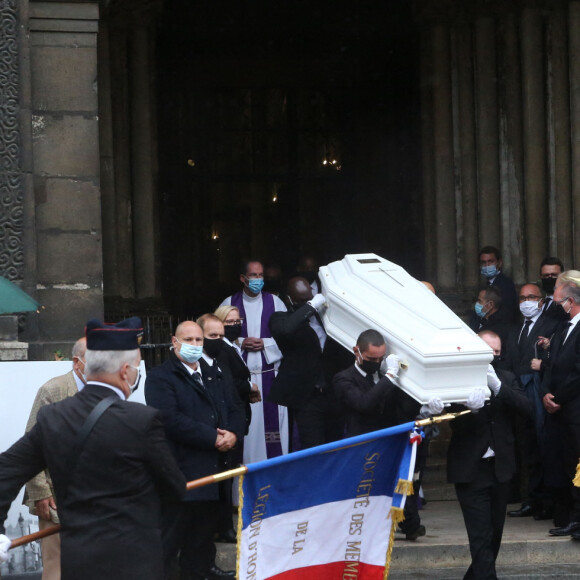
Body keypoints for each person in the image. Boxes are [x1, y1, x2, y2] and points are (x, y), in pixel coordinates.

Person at [0, 317, 186, 580]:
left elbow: (6, 470)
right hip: (133, 563)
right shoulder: (142, 421)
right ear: (125, 372)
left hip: (79, 563)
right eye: (136, 369)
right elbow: (175, 487)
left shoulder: (54, 418)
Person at [145, 320, 244, 580]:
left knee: (203, 531)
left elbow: (235, 406)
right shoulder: (160, 377)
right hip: (183, 469)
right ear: (174, 342)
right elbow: (169, 418)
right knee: (173, 534)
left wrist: (233, 434)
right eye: (188, 340)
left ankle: (202, 570)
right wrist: (212, 437)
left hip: (216, 468)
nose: (195, 345)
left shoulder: (216, 372)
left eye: (199, 340)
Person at [333, 329, 443, 541]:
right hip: (364, 445)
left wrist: (427, 410)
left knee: (403, 485)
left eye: (380, 358)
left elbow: (403, 406)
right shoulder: (344, 378)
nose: (376, 362)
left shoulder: (387, 377)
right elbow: (364, 404)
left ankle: (410, 525)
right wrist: (390, 376)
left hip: (393, 444)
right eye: (371, 358)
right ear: (357, 352)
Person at [447, 330, 531, 580]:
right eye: (487, 352)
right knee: (480, 535)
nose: (492, 358)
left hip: (500, 467)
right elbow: (451, 422)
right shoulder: (458, 380)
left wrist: (499, 388)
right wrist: (468, 410)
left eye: (496, 353)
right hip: (471, 469)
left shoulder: (505, 377)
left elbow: (527, 408)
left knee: (494, 535)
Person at [23, 337, 87, 580]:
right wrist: (40, 492)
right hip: (55, 497)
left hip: (94, 494)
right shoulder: (54, 390)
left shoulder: (106, 390)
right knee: (56, 565)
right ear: (77, 362)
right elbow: (31, 445)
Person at [268, 277, 352, 450]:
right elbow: (286, 330)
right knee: (312, 447)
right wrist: (310, 307)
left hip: (333, 394)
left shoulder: (327, 319)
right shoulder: (280, 318)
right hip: (307, 397)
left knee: (335, 445)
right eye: (302, 301)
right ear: (289, 299)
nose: (308, 303)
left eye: (310, 298)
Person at [219, 260, 288, 463]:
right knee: (246, 442)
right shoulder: (229, 303)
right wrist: (241, 342)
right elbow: (216, 336)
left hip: (270, 379)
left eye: (261, 276)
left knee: (273, 437)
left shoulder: (276, 303)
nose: (258, 280)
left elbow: (289, 337)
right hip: (241, 382)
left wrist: (266, 345)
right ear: (243, 278)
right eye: (254, 276)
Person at [505, 284, 560, 520]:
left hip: (539, 390)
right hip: (518, 392)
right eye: (522, 298)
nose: (526, 301)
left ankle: (549, 501)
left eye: (531, 297)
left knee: (543, 444)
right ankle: (533, 499)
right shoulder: (515, 329)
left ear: (541, 300)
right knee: (526, 446)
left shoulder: (552, 325)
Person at [540, 274, 580, 537]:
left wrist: (559, 398)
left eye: (558, 302)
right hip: (559, 408)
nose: (556, 306)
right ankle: (569, 515)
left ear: (570, 301)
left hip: (575, 407)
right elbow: (551, 364)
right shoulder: (562, 328)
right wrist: (545, 392)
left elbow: (578, 371)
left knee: (578, 464)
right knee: (564, 461)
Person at [477, 246, 518, 324]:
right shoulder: (484, 285)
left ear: (499, 263)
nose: (487, 265)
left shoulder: (506, 284)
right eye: (483, 262)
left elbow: (507, 313)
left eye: (490, 261)